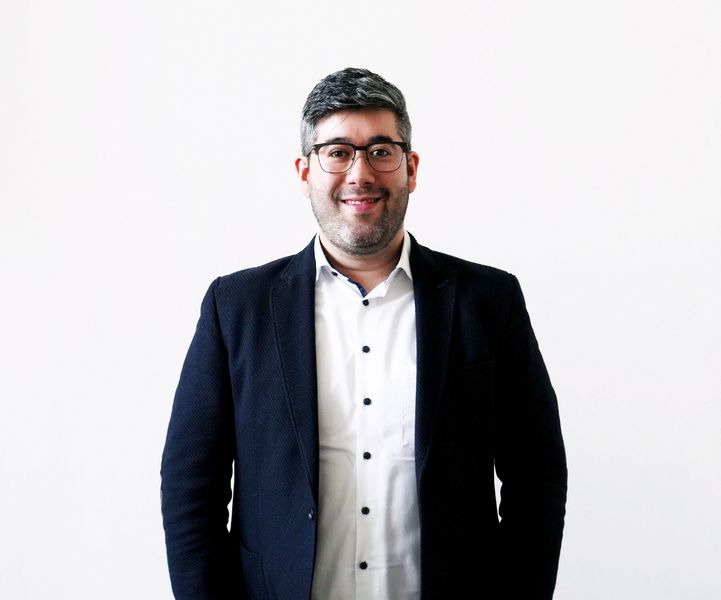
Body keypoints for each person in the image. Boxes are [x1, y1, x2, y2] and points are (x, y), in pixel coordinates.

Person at [161, 67, 567, 600]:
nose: (360, 173)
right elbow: (191, 487)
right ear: (305, 172)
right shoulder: (237, 308)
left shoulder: (488, 302)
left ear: (410, 168)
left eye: (380, 151)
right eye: (337, 152)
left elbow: (537, 476)